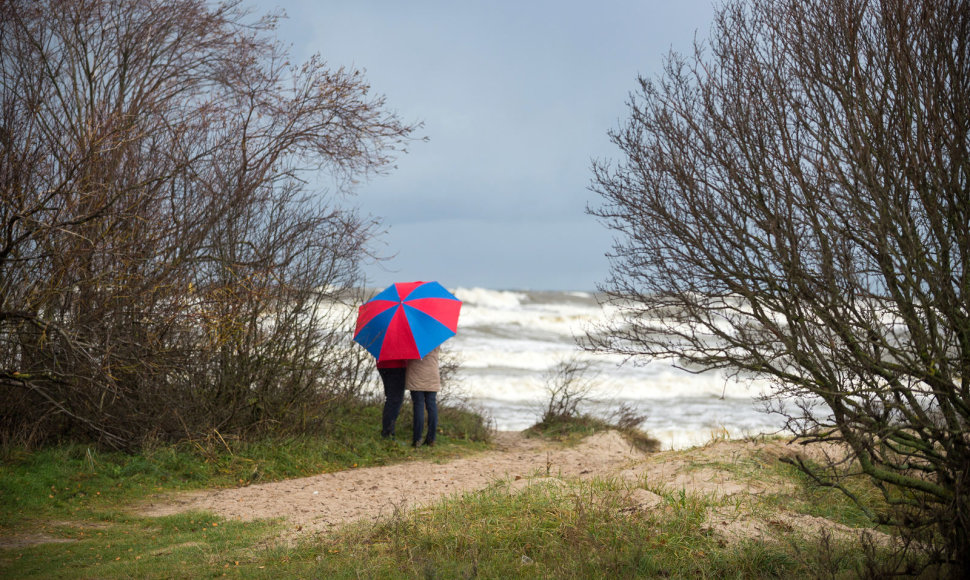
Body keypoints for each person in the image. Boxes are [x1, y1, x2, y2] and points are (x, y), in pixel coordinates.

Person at [406, 347, 441, 447]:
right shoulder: (436, 337)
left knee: (418, 406)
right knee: (432, 405)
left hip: (416, 375)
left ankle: (417, 439)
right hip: (432, 374)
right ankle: (431, 438)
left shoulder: (412, 338)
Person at [377, 359, 407, 438]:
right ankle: (388, 432)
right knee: (395, 400)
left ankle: (387, 429)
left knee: (390, 399)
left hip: (382, 364)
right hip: (397, 366)